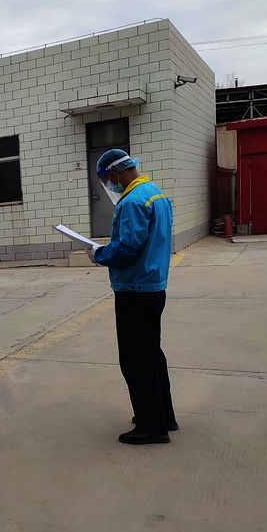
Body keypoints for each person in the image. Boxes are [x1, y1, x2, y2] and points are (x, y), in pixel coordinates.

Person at [88, 149, 178, 445]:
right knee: (152, 354)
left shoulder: (131, 202)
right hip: (153, 285)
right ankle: (163, 415)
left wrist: (99, 254)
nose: (108, 185)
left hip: (134, 289)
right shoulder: (156, 195)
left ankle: (151, 426)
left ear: (115, 173)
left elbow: (127, 249)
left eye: (107, 179)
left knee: (135, 359)